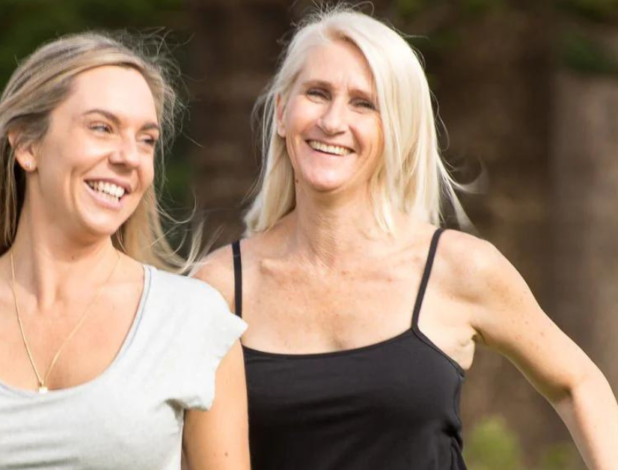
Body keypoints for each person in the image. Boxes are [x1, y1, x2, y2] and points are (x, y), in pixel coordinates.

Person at [194, 7, 618, 470]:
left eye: (364, 103)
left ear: (394, 129)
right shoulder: (219, 290)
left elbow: (577, 383)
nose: (333, 121)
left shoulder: (457, 268)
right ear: (281, 112)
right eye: (317, 93)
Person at [0, 32, 249, 470]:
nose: (129, 157)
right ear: (26, 145)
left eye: (146, 139)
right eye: (102, 127)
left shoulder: (191, 319)